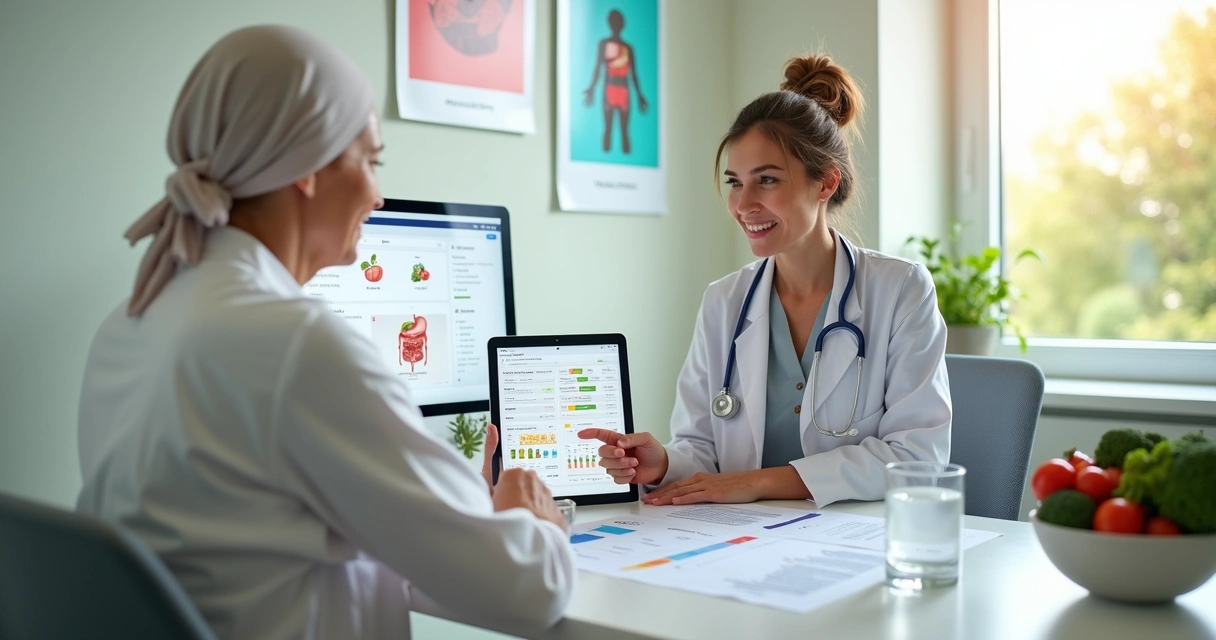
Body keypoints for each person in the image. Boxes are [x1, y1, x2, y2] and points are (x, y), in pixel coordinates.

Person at [75, 25, 573, 640]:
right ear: (307, 169)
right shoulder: (295, 346)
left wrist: (439, 507)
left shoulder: (129, 324)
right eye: (370, 160)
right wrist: (532, 521)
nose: (377, 192)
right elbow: (529, 592)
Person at [580, 54, 951, 508]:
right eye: (735, 182)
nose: (743, 204)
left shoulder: (901, 291)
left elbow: (916, 458)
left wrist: (759, 482)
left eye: (767, 180)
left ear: (825, 183)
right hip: (747, 544)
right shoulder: (724, 301)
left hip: (856, 542)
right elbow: (702, 449)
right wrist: (664, 464)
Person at [582, 9, 649, 153]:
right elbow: (598, 68)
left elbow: (634, 74)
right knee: (608, 130)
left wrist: (639, 95)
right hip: (609, 90)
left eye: (618, 21)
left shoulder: (628, 48)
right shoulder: (604, 44)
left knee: (625, 132)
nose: (616, 24)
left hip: (624, 92)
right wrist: (591, 88)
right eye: (614, 21)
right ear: (610, 23)